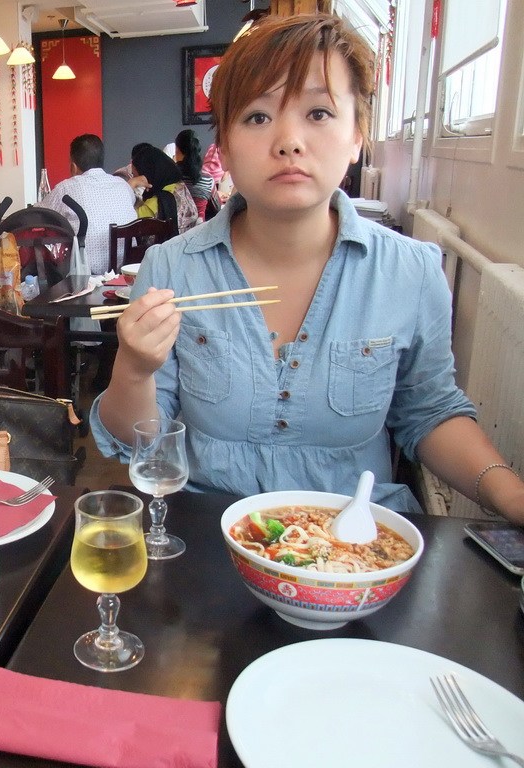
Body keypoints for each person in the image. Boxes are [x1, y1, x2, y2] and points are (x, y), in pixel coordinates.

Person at [92, 13, 524, 524]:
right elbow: (140, 436)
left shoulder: (411, 270)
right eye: (257, 117)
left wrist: (511, 497)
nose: (289, 141)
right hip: (211, 537)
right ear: (224, 149)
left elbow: (427, 412)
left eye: (318, 112)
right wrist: (134, 369)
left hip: (355, 544)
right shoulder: (172, 265)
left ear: (358, 135)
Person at [37, 134, 136, 275]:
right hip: (126, 273)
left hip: (85, 277)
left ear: (73, 166)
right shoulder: (123, 186)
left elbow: (39, 215)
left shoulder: (66, 189)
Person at [130, 144, 199, 235]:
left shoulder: (160, 201)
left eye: (136, 176)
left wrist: (131, 184)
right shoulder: (179, 187)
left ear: (148, 174)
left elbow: (127, 221)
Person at [174, 130, 216, 221]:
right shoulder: (208, 179)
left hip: (174, 231)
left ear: (176, 149)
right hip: (200, 229)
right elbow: (217, 207)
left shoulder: (169, 176)